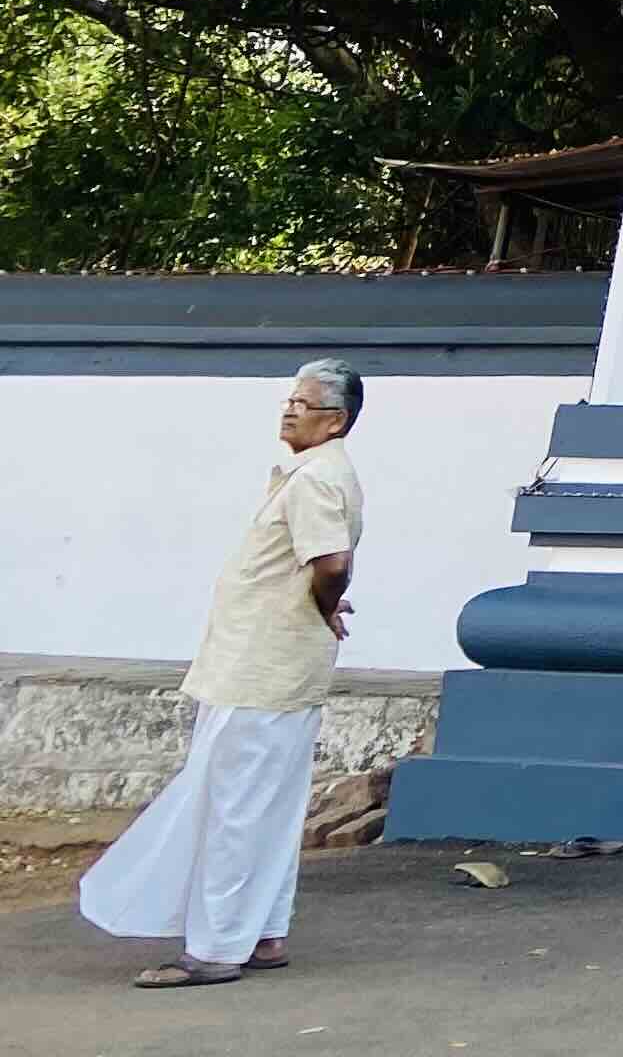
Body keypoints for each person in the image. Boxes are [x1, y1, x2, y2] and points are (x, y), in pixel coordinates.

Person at [81, 360, 368, 989]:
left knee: (233, 807)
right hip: (271, 666)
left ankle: (214, 949)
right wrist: (317, 602)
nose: (290, 410)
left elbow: (331, 562)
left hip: (261, 670)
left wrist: (322, 605)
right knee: (265, 804)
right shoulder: (313, 474)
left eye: (306, 403)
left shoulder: (316, 480)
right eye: (290, 399)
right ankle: (263, 933)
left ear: (335, 421)